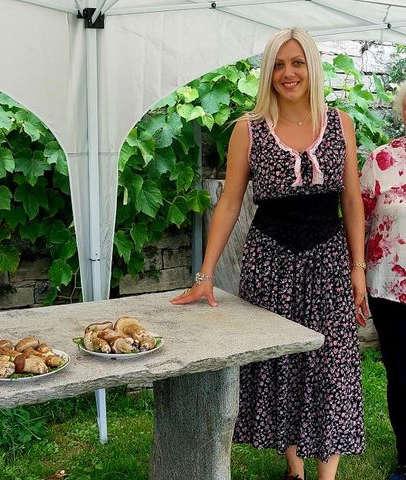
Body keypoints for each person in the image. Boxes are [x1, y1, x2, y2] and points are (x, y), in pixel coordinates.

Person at [171, 27, 368, 480]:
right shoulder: (248, 128)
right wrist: (204, 276)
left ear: (312, 67)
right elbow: (230, 202)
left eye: (297, 62)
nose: (288, 73)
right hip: (271, 261)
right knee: (283, 362)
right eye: (278, 64)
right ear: (267, 72)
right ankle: (294, 469)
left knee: (331, 361)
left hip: (329, 260)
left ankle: (327, 475)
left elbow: (352, 201)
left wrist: (357, 267)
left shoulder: (340, 123)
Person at [360, 83, 406, 480]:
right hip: (390, 286)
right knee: (402, 372)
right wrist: (354, 271)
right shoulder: (382, 159)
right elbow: (357, 218)